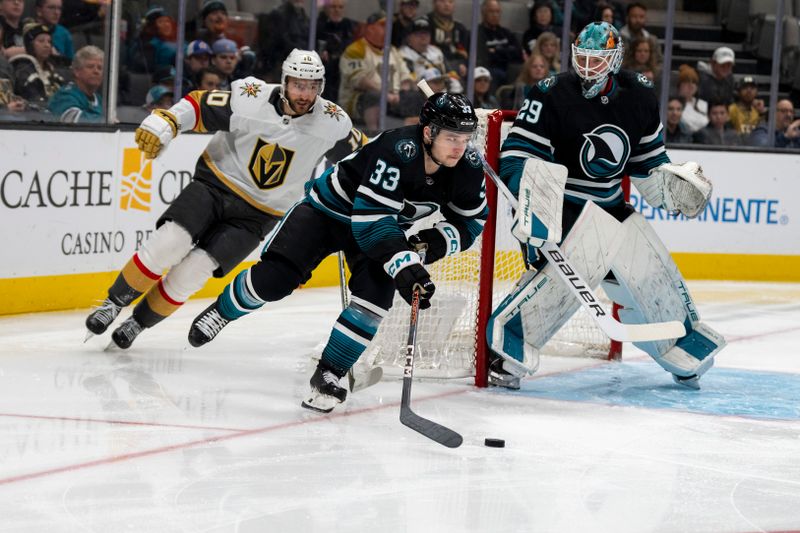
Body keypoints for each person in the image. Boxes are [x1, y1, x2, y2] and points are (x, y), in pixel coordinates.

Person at [187, 92, 487, 414]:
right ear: (428, 133)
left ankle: (329, 373)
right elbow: (370, 221)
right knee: (275, 280)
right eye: (452, 137)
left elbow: (471, 221)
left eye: (465, 138)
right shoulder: (398, 150)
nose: (460, 146)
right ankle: (224, 310)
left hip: (379, 228)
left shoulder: (466, 168)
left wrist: (427, 246)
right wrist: (403, 264)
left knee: (375, 300)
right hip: (326, 213)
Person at [487, 22, 725, 391]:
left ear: (614, 61)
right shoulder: (551, 93)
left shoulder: (640, 96)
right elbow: (518, 156)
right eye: (581, 58)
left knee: (651, 273)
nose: (587, 67)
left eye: (596, 61)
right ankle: (508, 353)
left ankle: (680, 348)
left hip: (612, 205)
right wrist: (532, 203)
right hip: (564, 207)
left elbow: (648, 164)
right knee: (560, 283)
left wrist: (668, 189)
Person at [84, 50, 363, 349]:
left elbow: (364, 157)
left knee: (195, 271)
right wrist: (169, 122)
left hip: (260, 213)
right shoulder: (251, 97)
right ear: (284, 82)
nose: (304, 94)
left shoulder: (333, 122)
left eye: (311, 86)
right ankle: (112, 303)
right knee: (170, 241)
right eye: (298, 85)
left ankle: (137, 323)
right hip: (215, 184)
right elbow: (200, 104)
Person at [338, 12, 419, 134]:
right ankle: (374, 134)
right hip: (358, 101)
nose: (387, 29)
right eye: (383, 25)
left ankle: (410, 132)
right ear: (370, 28)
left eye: (389, 26)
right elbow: (360, 81)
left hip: (391, 97)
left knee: (415, 96)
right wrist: (385, 93)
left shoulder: (392, 50)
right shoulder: (356, 50)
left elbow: (405, 75)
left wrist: (402, 88)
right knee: (373, 97)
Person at [10, 21, 65, 110]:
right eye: (41, 41)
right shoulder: (23, 70)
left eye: (49, 41)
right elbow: (34, 101)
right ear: (30, 44)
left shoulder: (53, 71)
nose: (47, 45)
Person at [48, 45, 104, 122]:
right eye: (90, 66)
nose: (96, 71)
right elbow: (73, 120)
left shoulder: (99, 99)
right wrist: (105, 122)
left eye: (100, 68)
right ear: (76, 71)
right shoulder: (65, 95)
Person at [316, 0, 356, 103]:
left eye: (340, 7)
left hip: (345, 68)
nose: (337, 10)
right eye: (333, 7)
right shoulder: (319, 26)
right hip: (327, 71)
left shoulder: (350, 26)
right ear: (327, 9)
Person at [476, 0, 522, 88]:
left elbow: (518, 53)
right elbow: (485, 57)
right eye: (491, 11)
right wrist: (506, 51)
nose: (495, 15)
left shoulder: (506, 33)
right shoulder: (478, 33)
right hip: (490, 70)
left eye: (497, 12)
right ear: (483, 13)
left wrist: (496, 51)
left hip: (508, 69)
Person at [426, 0, 469, 79]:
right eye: (442, 1)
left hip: (458, 68)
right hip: (433, 67)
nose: (446, 4)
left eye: (450, 1)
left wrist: (464, 64)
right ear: (434, 3)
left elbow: (466, 53)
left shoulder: (460, 28)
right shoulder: (426, 24)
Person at [676, 64, 707, 133]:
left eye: (694, 82)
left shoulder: (703, 104)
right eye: (686, 82)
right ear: (679, 85)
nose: (691, 85)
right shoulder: (673, 105)